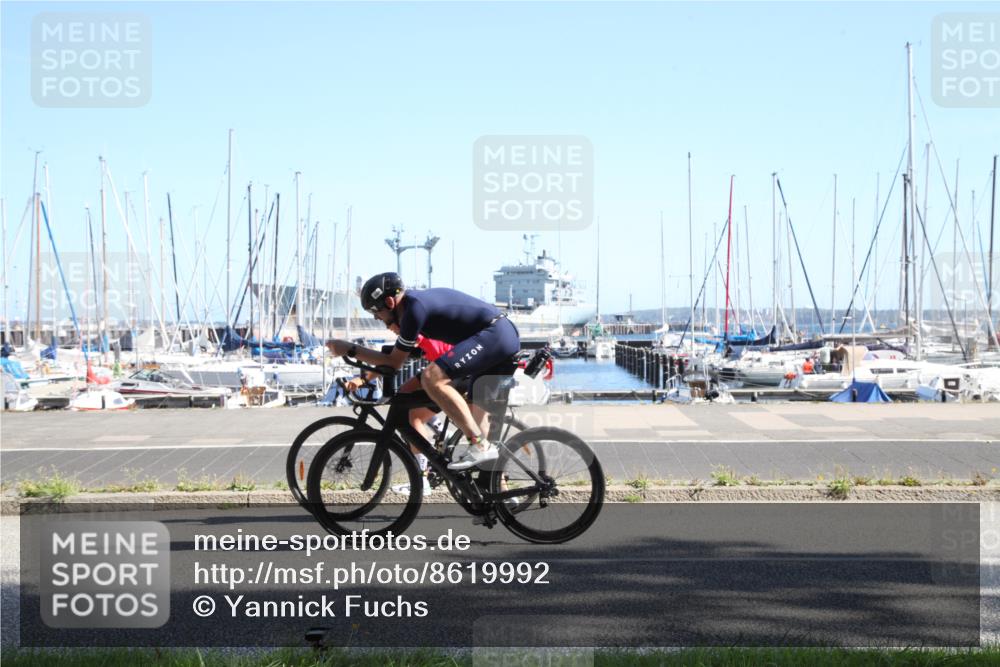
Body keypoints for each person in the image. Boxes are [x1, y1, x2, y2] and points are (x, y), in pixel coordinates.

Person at [325, 272, 520, 470]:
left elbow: (393, 363)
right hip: (496, 338)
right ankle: (495, 491)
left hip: (496, 334)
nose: (376, 318)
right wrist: (365, 376)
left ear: (391, 302)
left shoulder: (414, 310)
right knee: (479, 426)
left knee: (431, 378)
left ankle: (478, 445)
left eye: (376, 311)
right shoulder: (412, 311)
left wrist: (350, 349)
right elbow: (396, 357)